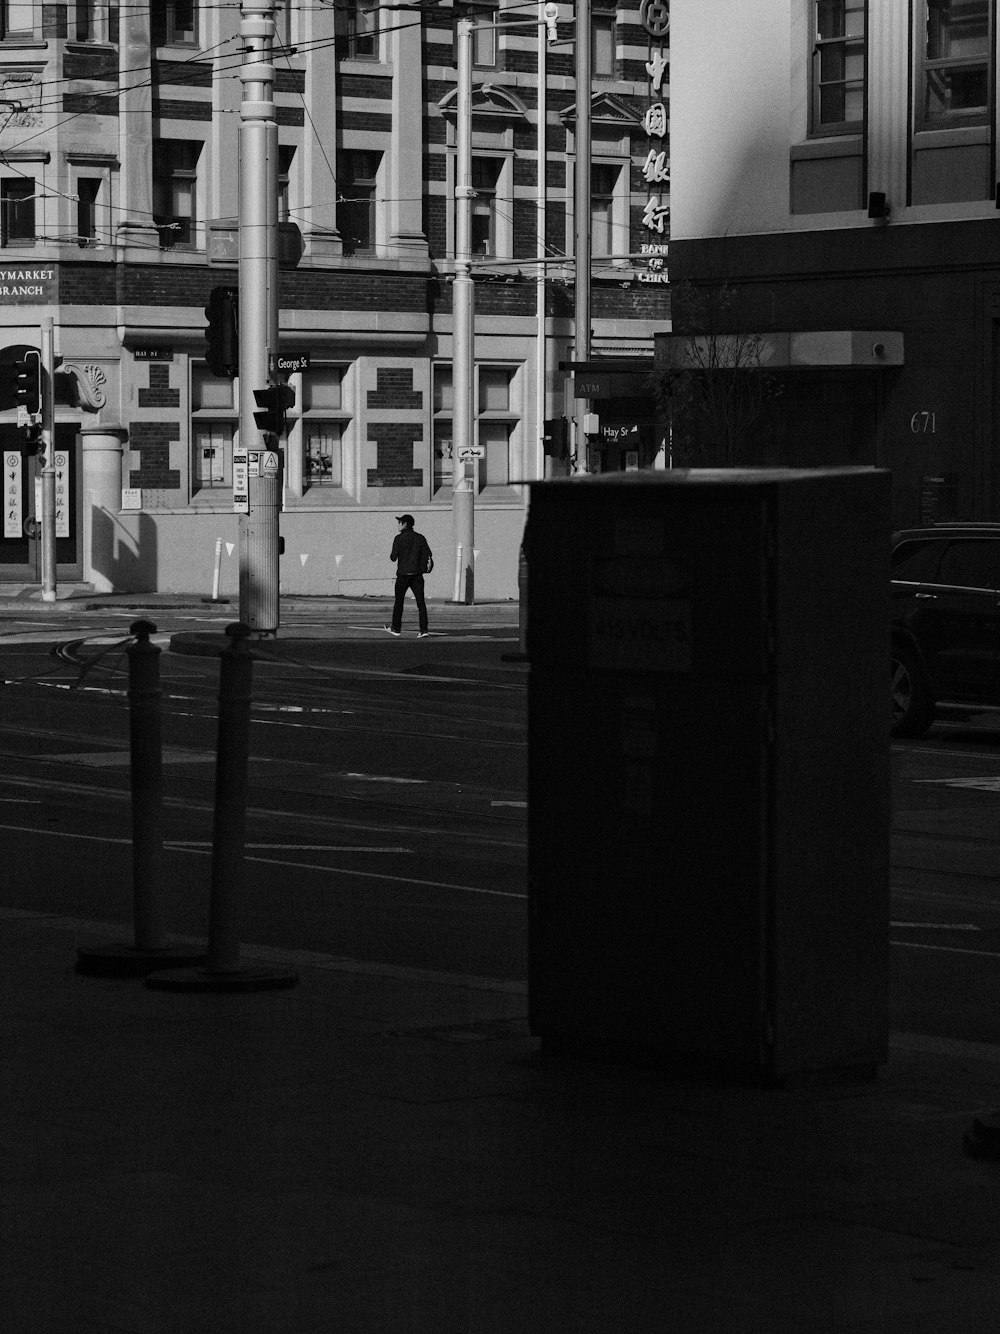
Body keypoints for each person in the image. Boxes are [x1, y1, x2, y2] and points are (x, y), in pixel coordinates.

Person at [384, 514, 433, 637]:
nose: (398, 525)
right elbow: (428, 554)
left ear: (405, 524)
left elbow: (393, 558)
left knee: (399, 602)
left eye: (400, 522)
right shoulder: (420, 538)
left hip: (403, 575)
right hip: (417, 575)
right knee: (421, 603)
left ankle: (396, 628)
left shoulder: (398, 538)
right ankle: (424, 630)